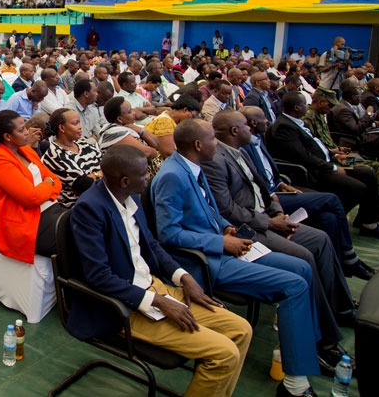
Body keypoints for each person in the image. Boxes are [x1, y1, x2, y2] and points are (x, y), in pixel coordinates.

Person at [152, 119, 322, 397]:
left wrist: (225, 227)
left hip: (221, 246)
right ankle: (295, 384)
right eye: (212, 138)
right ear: (198, 144)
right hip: (206, 261)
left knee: (302, 268)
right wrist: (220, 241)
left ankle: (294, 344)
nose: (216, 143)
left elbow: (209, 210)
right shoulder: (172, 176)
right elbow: (168, 233)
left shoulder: (193, 166)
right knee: (295, 285)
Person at [68, 145, 252, 397]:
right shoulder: (90, 209)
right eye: (144, 174)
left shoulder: (130, 197)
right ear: (125, 181)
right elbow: (98, 276)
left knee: (241, 330)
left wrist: (183, 276)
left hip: (156, 288)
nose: (149, 177)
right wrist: (159, 302)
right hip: (125, 306)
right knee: (224, 353)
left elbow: (152, 244)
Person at [206, 110, 354, 368]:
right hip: (248, 228)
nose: (251, 128)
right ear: (234, 131)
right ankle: (322, 341)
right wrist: (269, 222)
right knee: (303, 258)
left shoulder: (240, 151)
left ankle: (340, 309)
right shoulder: (215, 160)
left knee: (320, 239)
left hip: (267, 216)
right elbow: (227, 209)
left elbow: (263, 186)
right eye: (246, 125)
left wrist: (276, 212)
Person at [241, 106, 374, 280]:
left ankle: (337, 268)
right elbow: (256, 182)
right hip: (270, 199)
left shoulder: (258, 139)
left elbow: (268, 171)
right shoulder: (244, 147)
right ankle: (349, 256)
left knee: (329, 218)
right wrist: (274, 195)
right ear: (252, 122)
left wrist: (281, 183)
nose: (267, 120)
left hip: (279, 188)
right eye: (263, 118)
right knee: (332, 199)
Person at [270, 92, 379, 238]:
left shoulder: (297, 122)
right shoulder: (284, 127)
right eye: (305, 104)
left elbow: (316, 146)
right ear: (297, 107)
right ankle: (337, 215)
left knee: (368, 173)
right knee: (358, 188)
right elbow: (303, 156)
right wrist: (333, 167)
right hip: (314, 171)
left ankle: (368, 222)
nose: (308, 106)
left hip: (326, 162)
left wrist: (334, 155)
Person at [0, 109, 66, 263]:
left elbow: (56, 180)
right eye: (21, 130)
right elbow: (31, 198)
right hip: (24, 223)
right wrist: (47, 185)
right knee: (77, 239)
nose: (27, 132)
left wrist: (44, 191)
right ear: (8, 136)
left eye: (25, 127)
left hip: (48, 209)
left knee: (89, 227)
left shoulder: (25, 150)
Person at [43, 108, 103, 208]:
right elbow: (84, 185)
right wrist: (101, 173)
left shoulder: (82, 143)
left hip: (97, 197)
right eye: (75, 123)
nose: (80, 127)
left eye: (79, 122)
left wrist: (94, 175)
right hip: (77, 207)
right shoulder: (54, 154)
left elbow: (109, 166)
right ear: (62, 128)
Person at [98, 97, 161, 174]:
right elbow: (145, 153)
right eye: (130, 111)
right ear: (119, 119)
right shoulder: (114, 133)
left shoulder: (131, 127)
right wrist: (154, 151)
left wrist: (141, 131)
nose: (134, 113)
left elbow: (157, 144)